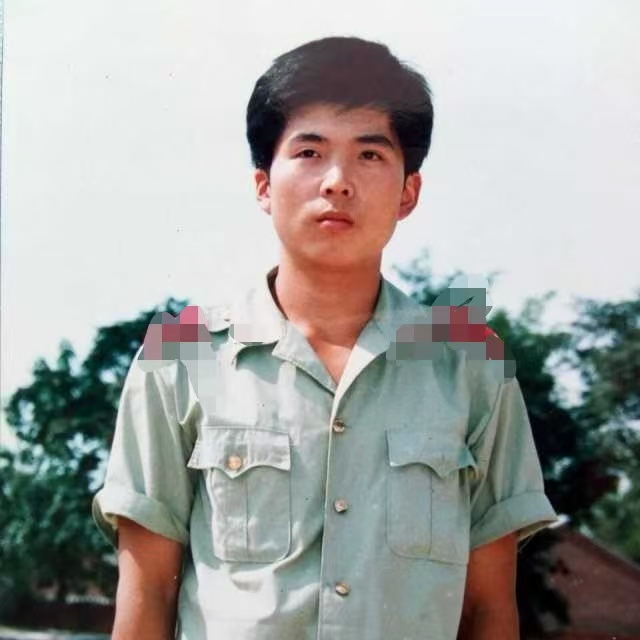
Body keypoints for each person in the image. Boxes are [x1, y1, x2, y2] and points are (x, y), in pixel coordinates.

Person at [93, 36, 557, 639]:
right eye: (309, 151)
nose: (337, 181)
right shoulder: (181, 355)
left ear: (408, 192)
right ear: (263, 184)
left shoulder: (472, 366)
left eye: (370, 155)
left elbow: (488, 610)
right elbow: (148, 595)